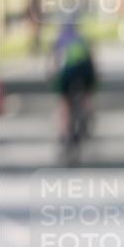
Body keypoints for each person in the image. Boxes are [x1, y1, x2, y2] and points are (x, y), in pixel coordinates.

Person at [51, 23, 97, 164]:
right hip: (85, 71)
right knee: (85, 95)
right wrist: (93, 81)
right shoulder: (82, 40)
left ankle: (64, 131)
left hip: (66, 74)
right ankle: (87, 115)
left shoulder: (60, 40)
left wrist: (52, 77)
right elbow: (92, 61)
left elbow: (54, 63)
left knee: (64, 102)